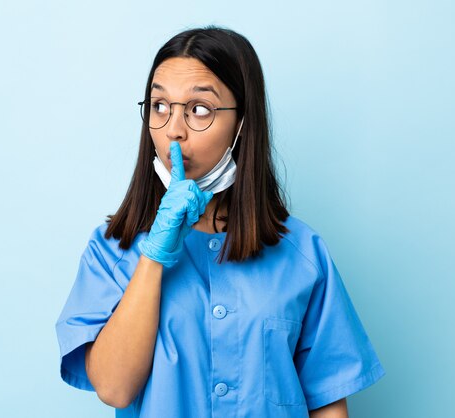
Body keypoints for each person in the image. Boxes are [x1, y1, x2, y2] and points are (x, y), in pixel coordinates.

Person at [55, 25, 385, 418]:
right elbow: (114, 389)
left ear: (243, 122)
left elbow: (328, 402)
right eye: (160, 106)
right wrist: (153, 256)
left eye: (198, 110)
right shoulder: (111, 251)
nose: (173, 131)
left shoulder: (302, 253)